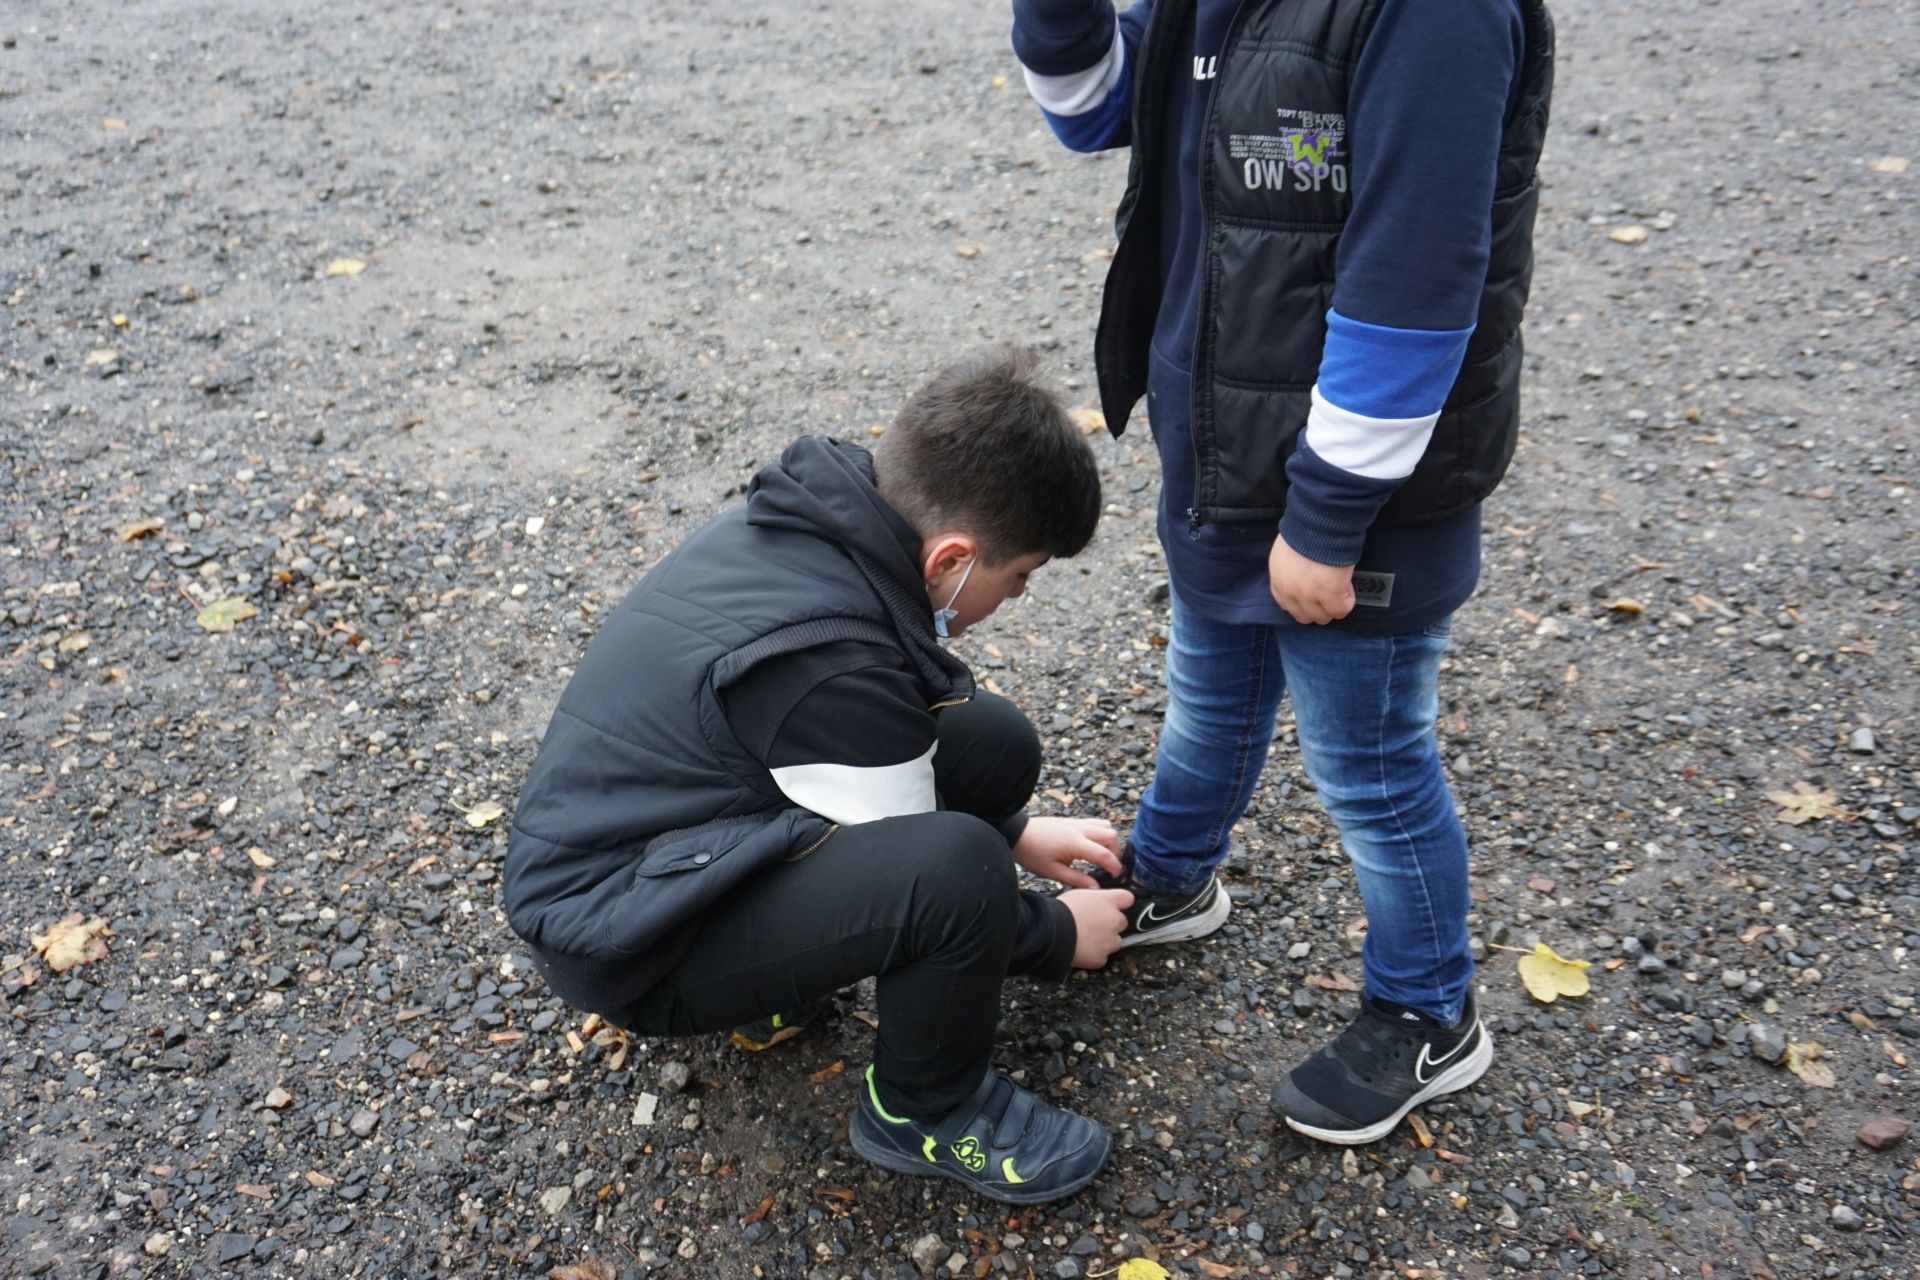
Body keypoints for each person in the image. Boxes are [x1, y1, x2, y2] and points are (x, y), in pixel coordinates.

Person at [1008, 0, 1555, 1145]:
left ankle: (1429, 1007)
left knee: (1371, 767)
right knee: (1209, 699)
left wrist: (1330, 517)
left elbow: (1415, 275)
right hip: (1227, 453)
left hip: (1363, 498)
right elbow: (1091, 106)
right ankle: (1172, 874)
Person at [502, 347, 1138, 1204]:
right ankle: (924, 1110)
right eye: (1019, 576)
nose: (1018, 596)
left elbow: (883, 775)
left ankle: (778, 978)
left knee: (992, 742)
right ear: (951, 560)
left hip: (677, 844)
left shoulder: (818, 522)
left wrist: (1019, 832)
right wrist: (1055, 933)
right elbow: (932, 872)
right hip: (633, 943)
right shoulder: (834, 662)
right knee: (956, 871)